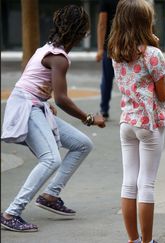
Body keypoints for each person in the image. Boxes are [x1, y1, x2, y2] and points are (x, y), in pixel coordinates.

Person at [0, 5, 106, 232]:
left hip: (34, 104)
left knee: (82, 144)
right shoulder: (59, 58)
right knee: (51, 159)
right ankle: (11, 213)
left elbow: (30, 79)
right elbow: (62, 99)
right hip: (27, 108)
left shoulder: (47, 49)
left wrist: (43, 99)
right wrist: (89, 118)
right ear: (79, 32)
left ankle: (50, 195)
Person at [108, 0, 165, 242]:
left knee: (129, 183)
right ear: (145, 22)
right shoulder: (153, 54)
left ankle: (133, 239)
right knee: (146, 184)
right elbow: (164, 93)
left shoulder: (115, 50)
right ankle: (147, 241)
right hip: (149, 124)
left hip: (127, 122)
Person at [96, 0, 119, 119]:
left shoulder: (106, 2)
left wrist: (100, 49)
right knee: (131, 77)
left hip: (110, 47)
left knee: (107, 79)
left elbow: (102, 24)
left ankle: (104, 110)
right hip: (128, 44)